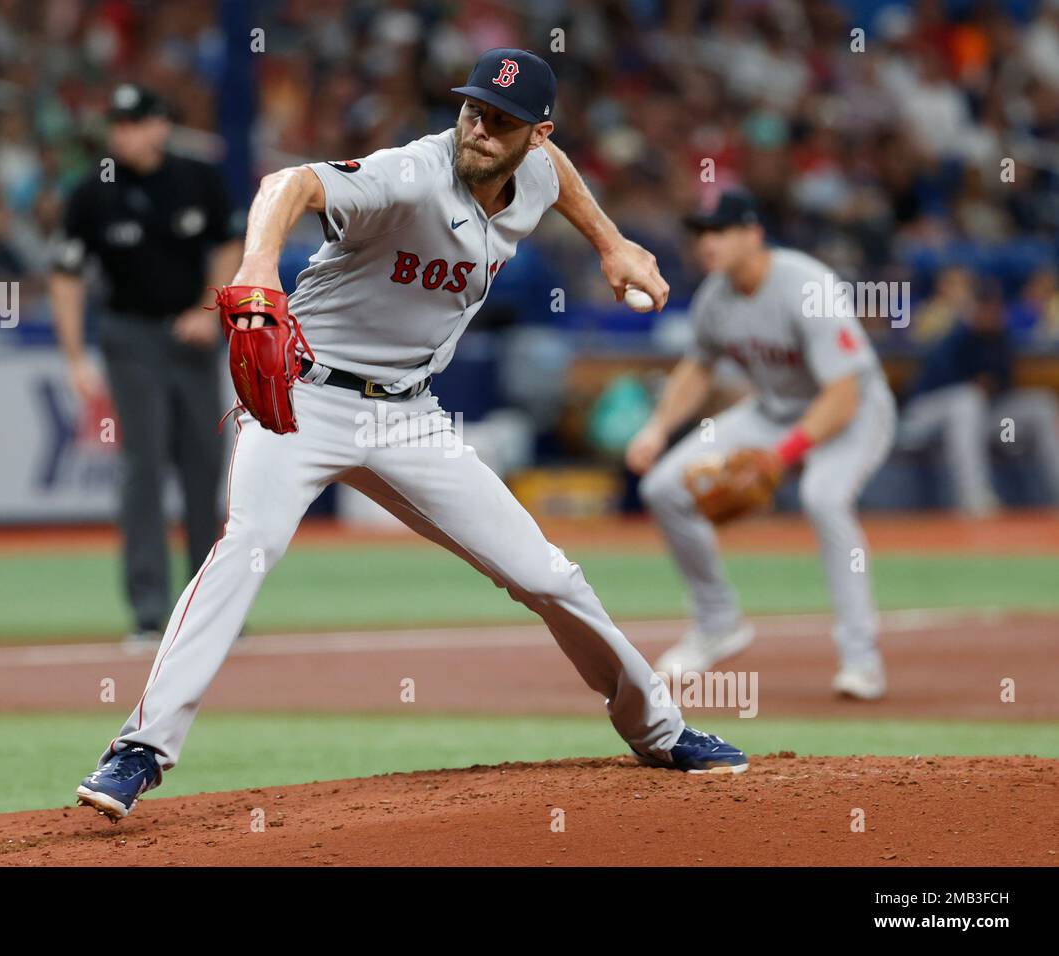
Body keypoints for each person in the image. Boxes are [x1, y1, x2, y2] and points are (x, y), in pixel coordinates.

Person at [76, 49, 750, 821]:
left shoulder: (533, 166)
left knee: (547, 575)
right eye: (472, 110)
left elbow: (554, 170)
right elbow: (286, 183)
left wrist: (610, 243)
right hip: (307, 399)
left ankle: (657, 730)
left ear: (536, 132)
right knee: (245, 548)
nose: (479, 129)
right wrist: (260, 260)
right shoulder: (410, 172)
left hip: (409, 417)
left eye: (502, 121)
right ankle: (139, 749)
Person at [626, 191, 896, 701]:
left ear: (753, 234)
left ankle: (862, 659)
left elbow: (843, 392)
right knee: (664, 488)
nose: (707, 242)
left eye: (720, 231)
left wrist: (780, 456)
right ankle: (717, 622)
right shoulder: (715, 297)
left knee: (823, 498)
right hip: (774, 410)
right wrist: (657, 428)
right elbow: (699, 366)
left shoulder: (806, 285)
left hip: (854, 410)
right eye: (701, 233)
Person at [50, 85, 242, 642]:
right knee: (145, 466)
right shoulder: (94, 192)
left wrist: (210, 308)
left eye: (135, 123)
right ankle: (149, 612)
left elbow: (231, 245)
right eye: (118, 124)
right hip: (130, 336)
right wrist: (72, 355)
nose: (124, 134)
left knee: (207, 466)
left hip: (194, 341)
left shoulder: (197, 178)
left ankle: (214, 609)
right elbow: (65, 274)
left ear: (161, 125)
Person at [900, 280, 1059, 515]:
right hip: (924, 417)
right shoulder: (955, 335)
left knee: (1040, 404)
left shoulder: (1000, 338)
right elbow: (937, 382)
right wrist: (978, 385)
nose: (992, 313)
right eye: (985, 307)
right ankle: (973, 498)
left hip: (976, 416)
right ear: (974, 309)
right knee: (968, 398)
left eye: (995, 308)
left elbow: (1003, 384)